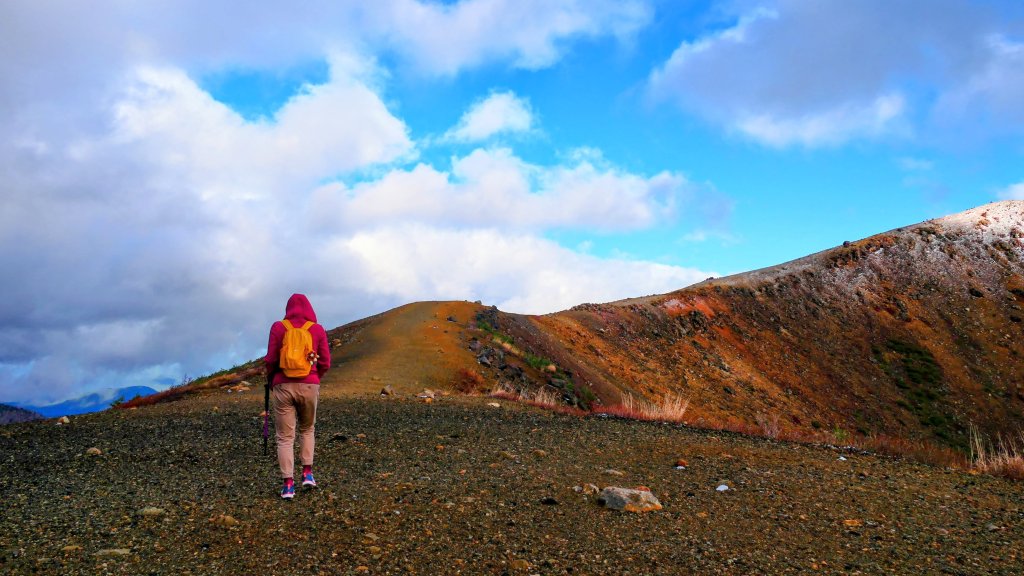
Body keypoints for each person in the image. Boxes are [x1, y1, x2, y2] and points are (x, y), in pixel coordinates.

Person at [265, 293, 331, 499]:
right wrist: (314, 378)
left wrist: (273, 380)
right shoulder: (317, 329)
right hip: (309, 386)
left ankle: (288, 485)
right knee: (307, 428)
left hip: (283, 386)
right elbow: (326, 362)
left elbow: (271, 359)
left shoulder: (279, 327)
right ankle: (308, 473)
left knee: (285, 437)